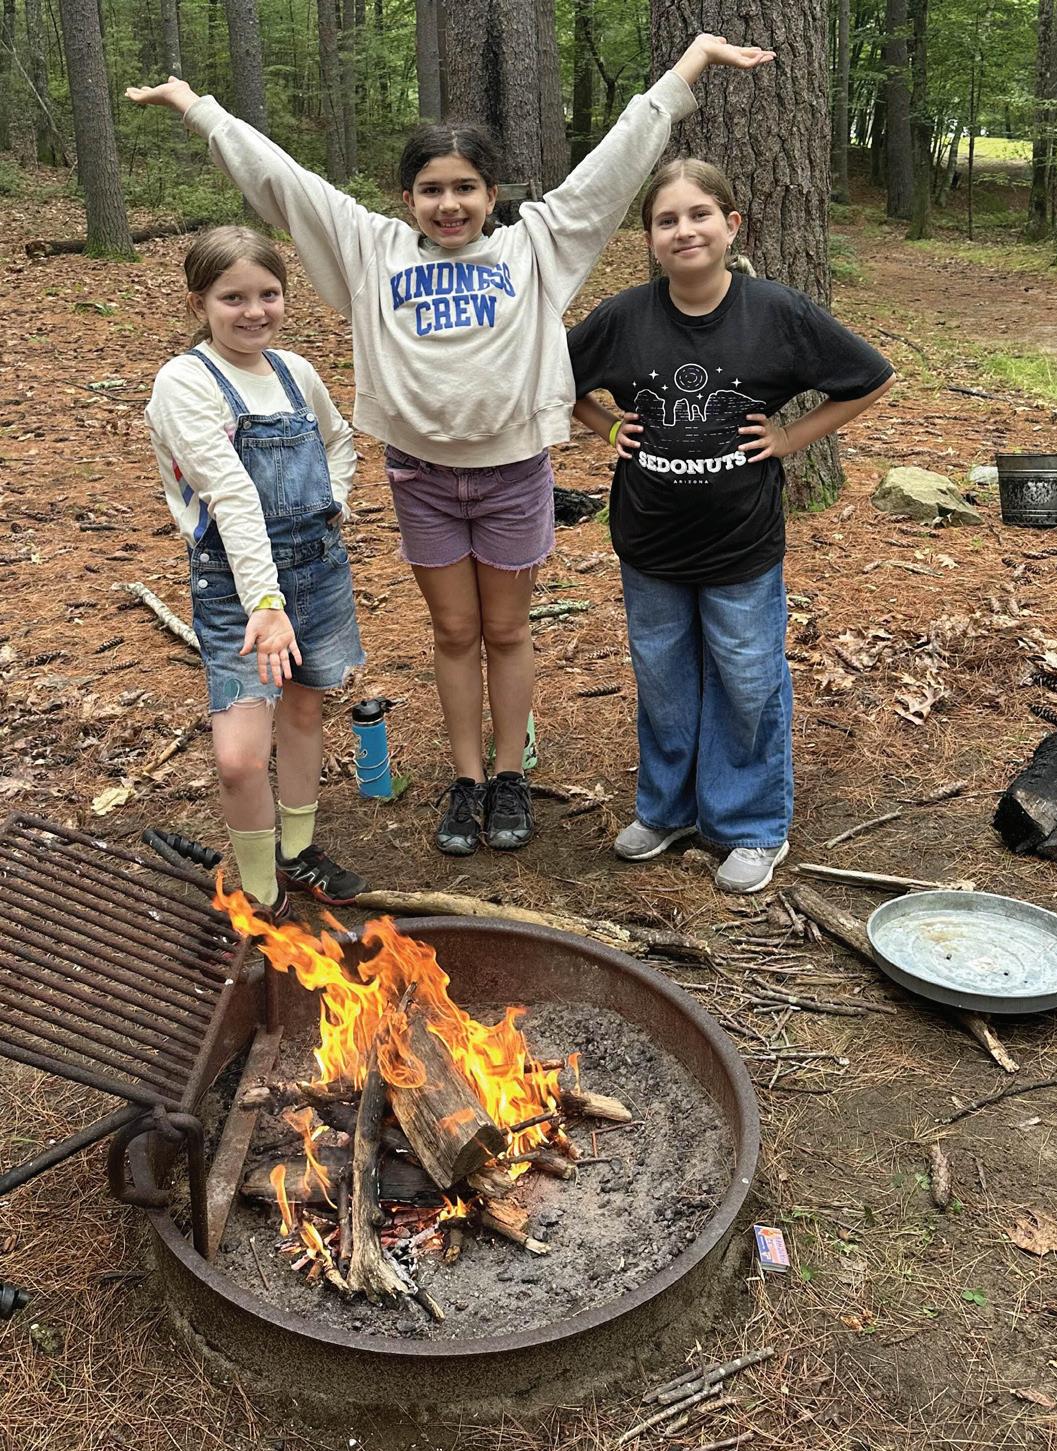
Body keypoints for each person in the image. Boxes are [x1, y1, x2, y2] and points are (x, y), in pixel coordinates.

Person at [126, 35, 774, 859]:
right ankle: (465, 779)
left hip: (513, 475)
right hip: (422, 478)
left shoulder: (536, 245)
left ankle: (509, 775)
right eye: (431, 189)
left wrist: (688, 69)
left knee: (506, 631)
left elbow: (614, 166)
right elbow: (281, 182)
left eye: (465, 187)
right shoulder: (371, 250)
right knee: (454, 633)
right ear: (407, 197)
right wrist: (197, 106)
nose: (449, 204)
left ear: (491, 193)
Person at [568, 160, 895, 894]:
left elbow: (869, 377)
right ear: (649, 238)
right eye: (666, 220)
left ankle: (750, 824)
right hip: (649, 540)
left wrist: (789, 437)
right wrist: (604, 426)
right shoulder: (622, 318)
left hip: (741, 543)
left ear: (731, 225)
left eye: (699, 215)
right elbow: (551, 378)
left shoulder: (775, 313)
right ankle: (667, 809)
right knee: (663, 679)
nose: (684, 230)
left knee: (747, 681)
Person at [145, 226, 367, 915]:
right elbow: (232, 496)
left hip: (317, 571)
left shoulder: (295, 372)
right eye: (232, 298)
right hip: (238, 589)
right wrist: (265, 604)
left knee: (303, 707)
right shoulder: (185, 383)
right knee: (240, 757)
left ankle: (297, 853)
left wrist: (334, 503)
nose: (254, 311)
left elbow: (339, 439)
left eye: (268, 294)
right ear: (199, 303)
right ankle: (261, 897)